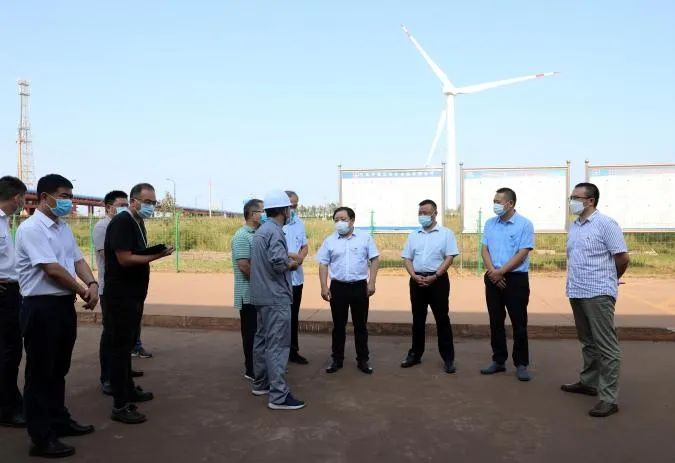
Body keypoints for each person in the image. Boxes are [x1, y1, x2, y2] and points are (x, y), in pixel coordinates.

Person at [15, 174, 98, 458]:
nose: (68, 202)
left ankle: (58, 420)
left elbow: (77, 260)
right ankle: (41, 438)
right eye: (63, 196)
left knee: (58, 369)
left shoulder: (62, 227)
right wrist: (82, 290)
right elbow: (51, 269)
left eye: (70, 197)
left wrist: (92, 284)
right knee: (40, 373)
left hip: (62, 305)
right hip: (40, 307)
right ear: (44, 197)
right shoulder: (32, 229)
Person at [103, 183, 174, 424]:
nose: (151, 206)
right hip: (120, 296)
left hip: (133, 294)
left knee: (127, 346)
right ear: (134, 201)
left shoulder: (137, 221)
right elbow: (125, 259)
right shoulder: (122, 222)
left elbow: (137, 252)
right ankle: (120, 404)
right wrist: (159, 255)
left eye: (154, 202)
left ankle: (128, 389)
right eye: (147, 202)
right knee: (119, 349)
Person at [562, 182, 629, 418]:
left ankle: (609, 398)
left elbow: (622, 258)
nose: (572, 201)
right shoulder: (575, 226)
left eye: (576, 198)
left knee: (606, 345)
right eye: (571, 197)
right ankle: (589, 382)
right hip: (577, 290)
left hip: (598, 293)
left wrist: (610, 279)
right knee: (587, 341)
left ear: (590, 201)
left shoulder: (606, 224)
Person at [250, 189, 305, 410]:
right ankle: (279, 396)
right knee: (278, 345)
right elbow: (278, 263)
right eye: (290, 208)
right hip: (275, 297)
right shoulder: (274, 232)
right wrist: (292, 264)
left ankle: (261, 383)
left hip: (261, 295)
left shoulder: (262, 231)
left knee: (262, 340)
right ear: (284, 210)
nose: (291, 212)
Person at [479, 188, 535, 381]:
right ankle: (498, 360)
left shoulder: (524, 224)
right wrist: (493, 273)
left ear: (510, 203)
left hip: (515, 279)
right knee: (495, 321)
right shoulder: (490, 223)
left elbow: (522, 253)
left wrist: (501, 272)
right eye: (494, 201)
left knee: (519, 323)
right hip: (492, 277)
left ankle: (521, 364)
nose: (495, 205)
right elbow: (484, 249)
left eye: (498, 201)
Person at [316, 207, 379, 374]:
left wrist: (372, 282)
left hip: (359, 287)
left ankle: (363, 360)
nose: (339, 223)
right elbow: (323, 263)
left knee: (361, 326)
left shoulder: (365, 238)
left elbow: (374, 259)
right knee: (338, 326)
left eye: (343, 219)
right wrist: (324, 286)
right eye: (336, 220)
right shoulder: (330, 241)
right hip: (338, 287)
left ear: (352, 220)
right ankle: (337, 360)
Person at [400, 199, 459, 374]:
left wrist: (436, 275)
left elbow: (449, 257)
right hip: (417, 280)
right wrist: (414, 275)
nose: (422, 215)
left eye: (426, 212)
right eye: (420, 213)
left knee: (442, 319)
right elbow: (407, 258)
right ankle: (415, 354)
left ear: (435, 213)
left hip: (438, 281)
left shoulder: (446, 234)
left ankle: (448, 358)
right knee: (418, 319)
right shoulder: (413, 235)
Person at [93, 190, 133, 396]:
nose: (125, 208)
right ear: (109, 207)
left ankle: (123, 373)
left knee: (124, 334)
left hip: (124, 286)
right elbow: (108, 254)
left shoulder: (123, 224)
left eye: (127, 204)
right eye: (121, 205)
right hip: (108, 287)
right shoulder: (102, 226)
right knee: (110, 333)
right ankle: (107, 377)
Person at [0, 176, 27, 428]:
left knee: (11, 351)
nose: (23, 203)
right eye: (23, 198)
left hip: (11, 291)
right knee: (8, 352)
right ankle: (6, 409)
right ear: (16, 197)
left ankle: (10, 401)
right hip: (4, 293)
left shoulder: (5, 221)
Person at [231, 198, 264, 380]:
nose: (265, 214)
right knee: (251, 333)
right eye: (262, 211)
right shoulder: (242, 236)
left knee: (260, 333)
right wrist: (263, 283)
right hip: (249, 294)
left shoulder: (259, 233)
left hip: (260, 294)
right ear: (253, 214)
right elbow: (244, 266)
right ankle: (251, 370)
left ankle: (260, 366)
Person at [283, 190, 309, 365]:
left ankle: (293, 351)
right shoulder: (273, 225)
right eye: (291, 205)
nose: (293, 209)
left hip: (297, 279)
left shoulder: (299, 222)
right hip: (280, 278)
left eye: (296, 205)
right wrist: (294, 257)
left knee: (293, 316)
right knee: (280, 318)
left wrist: (300, 257)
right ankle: (280, 353)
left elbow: (305, 246)